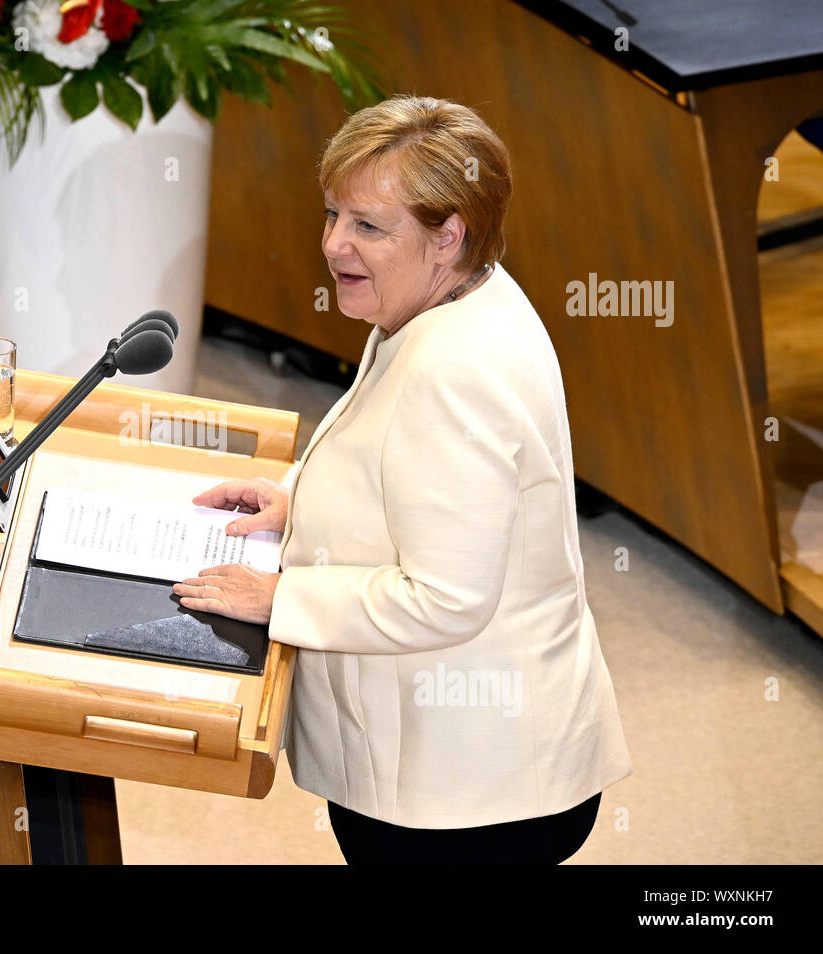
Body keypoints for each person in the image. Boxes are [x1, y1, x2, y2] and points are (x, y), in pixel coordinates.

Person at [173, 94, 632, 864]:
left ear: (447, 235)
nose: (333, 245)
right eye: (332, 214)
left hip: (467, 796)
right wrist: (303, 506)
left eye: (367, 227)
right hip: (462, 767)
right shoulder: (463, 291)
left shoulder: (454, 372)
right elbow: (420, 480)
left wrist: (279, 597)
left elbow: (445, 597)